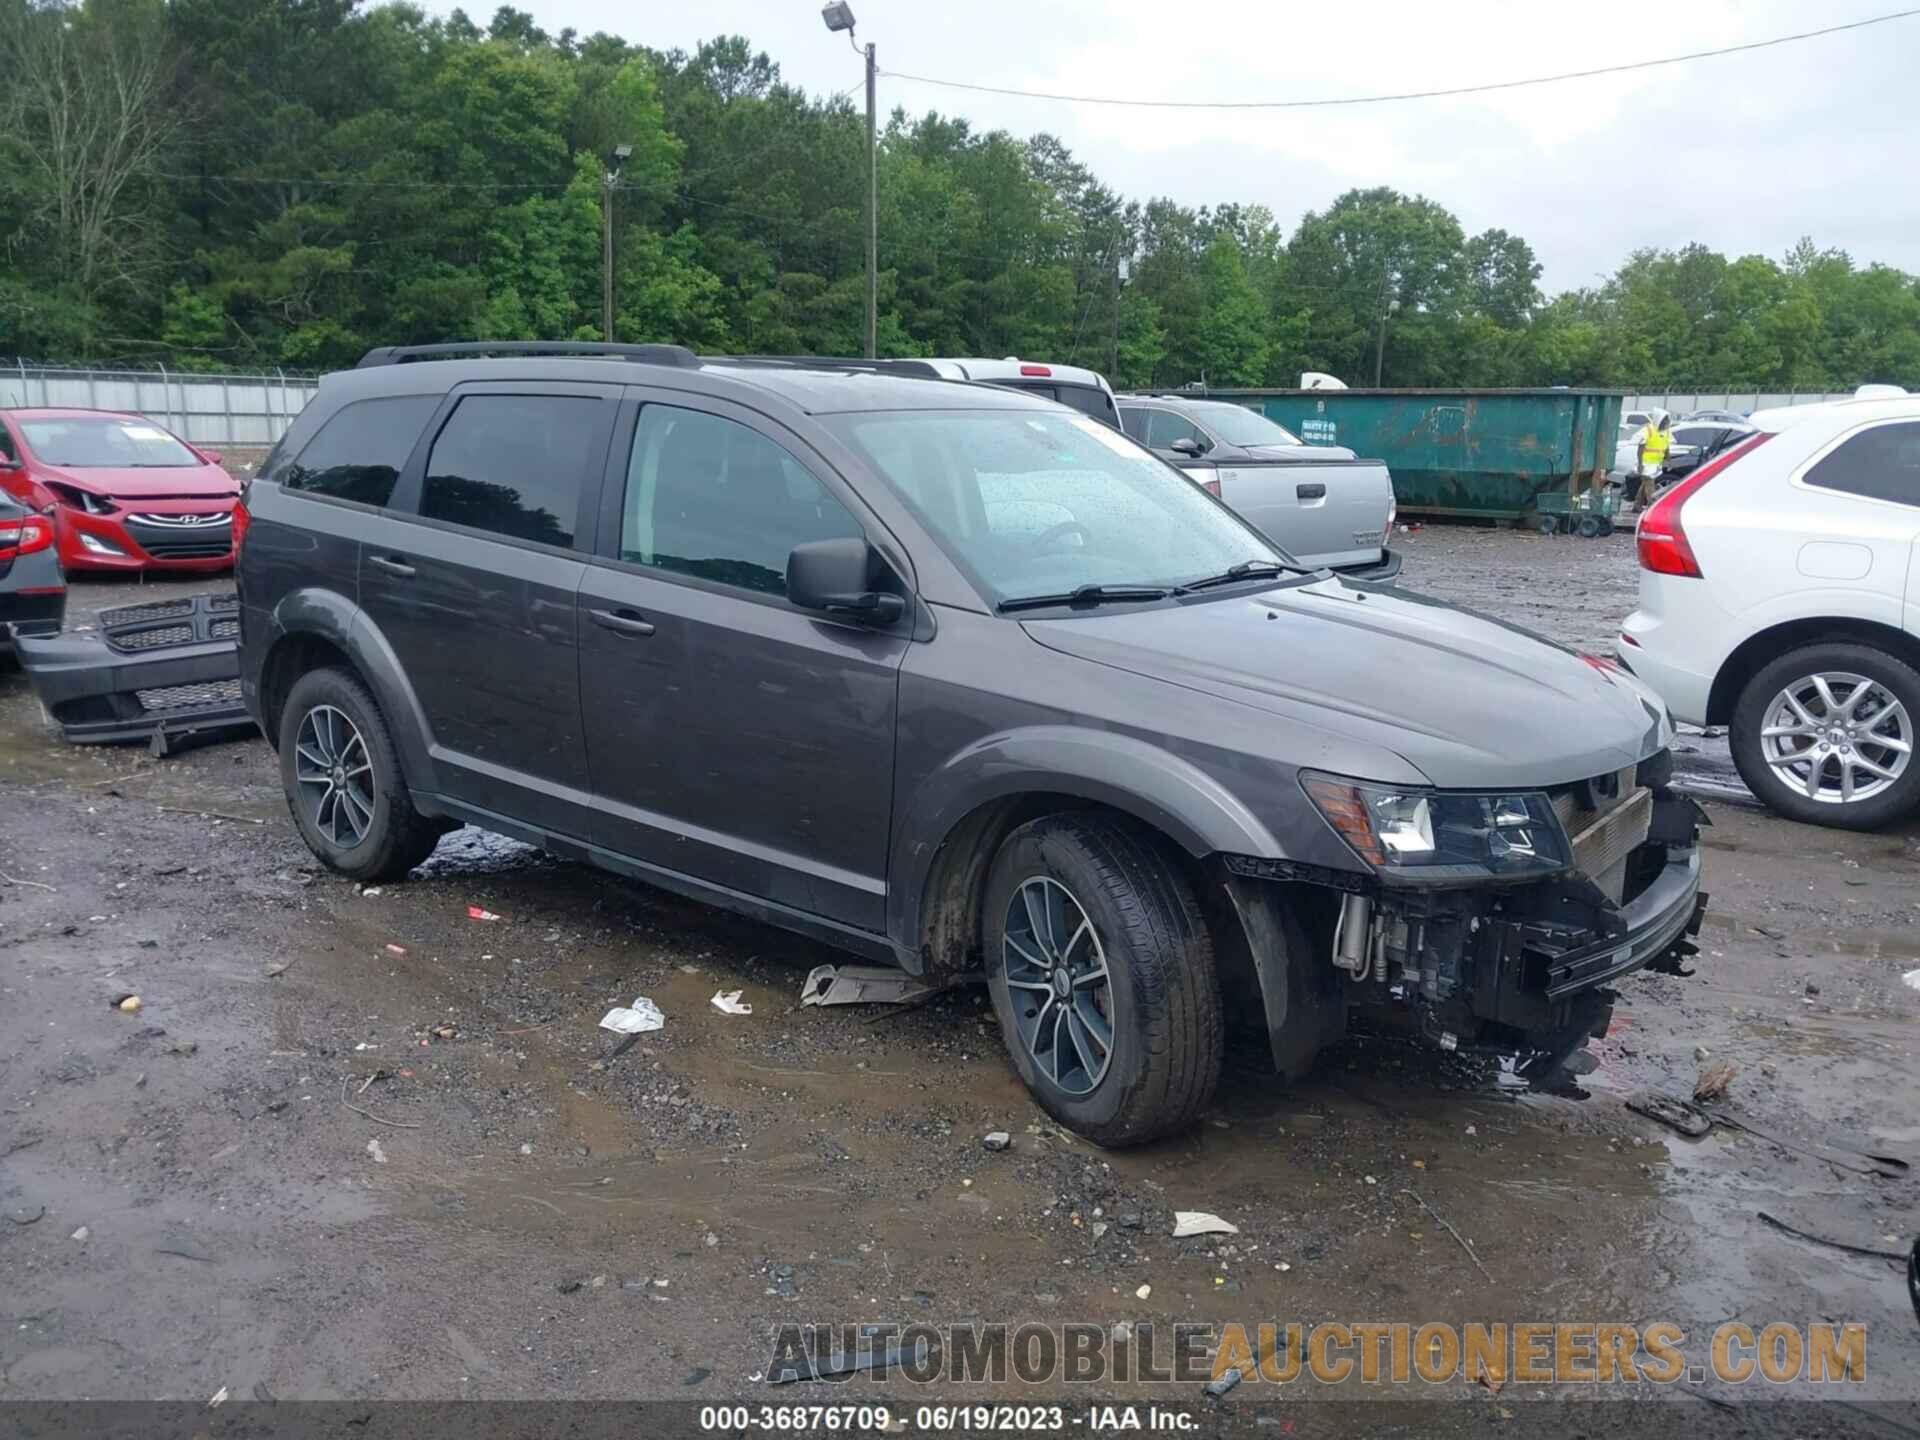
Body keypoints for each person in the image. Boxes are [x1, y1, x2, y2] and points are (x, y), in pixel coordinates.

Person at [1635, 414, 1672, 507]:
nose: (1666, 423)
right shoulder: (1648, 429)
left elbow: (1667, 447)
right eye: (1665, 421)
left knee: (1645, 485)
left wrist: (1668, 460)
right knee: (1650, 485)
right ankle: (1653, 506)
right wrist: (1640, 464)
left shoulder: (1666, 432)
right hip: (1646, 463)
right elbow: (1640, 448)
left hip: (1656, 464)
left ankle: (1637, 505)